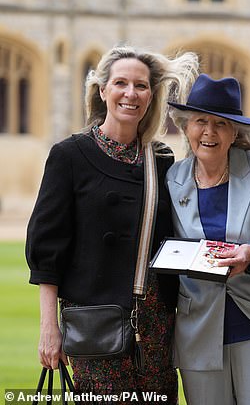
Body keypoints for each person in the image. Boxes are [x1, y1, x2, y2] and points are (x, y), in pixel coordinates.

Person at [26, 45, 198, 402]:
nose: (131, 94)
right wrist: (48, 328)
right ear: (103, 90)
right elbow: (47, 249)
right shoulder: (69, 156)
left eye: (141, 86)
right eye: (121, 83)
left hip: (155, 324)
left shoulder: (162, 159)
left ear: (152, 95)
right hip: (94, 320)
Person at [166, 74, 250, 405]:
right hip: (198, 326)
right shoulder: (171, 179)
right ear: (185, 127)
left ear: (234, 131)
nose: (209, 132)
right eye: (200, 121)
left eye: (220, 123)